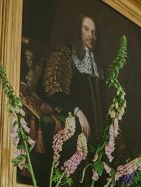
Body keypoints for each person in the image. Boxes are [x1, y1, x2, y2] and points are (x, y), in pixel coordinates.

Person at [41, 13, 105, 156]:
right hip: (74, 124)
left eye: (94, 32)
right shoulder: (65, 52)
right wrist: (78, 112)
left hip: (97, 132)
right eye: (86, 29)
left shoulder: (98, 64)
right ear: (78, 30)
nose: (91, 36)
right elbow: (53, 88)